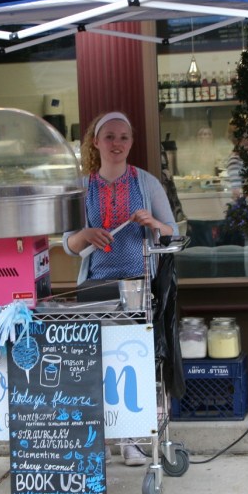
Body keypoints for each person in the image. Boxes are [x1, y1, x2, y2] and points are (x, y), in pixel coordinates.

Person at [62, 111, 178, 467]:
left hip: (139, 285)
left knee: (133, 364)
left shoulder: (147, 183)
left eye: (123, 137)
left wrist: (154, 223)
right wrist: (84, 235)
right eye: (109, 137)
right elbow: (68, 244)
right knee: (96, 363)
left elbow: (172, 234)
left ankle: (130, 440)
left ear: (131, 142)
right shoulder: (83, 187)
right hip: (95, 285)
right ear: (95, 142)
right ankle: (100, 438)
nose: (117, 144)